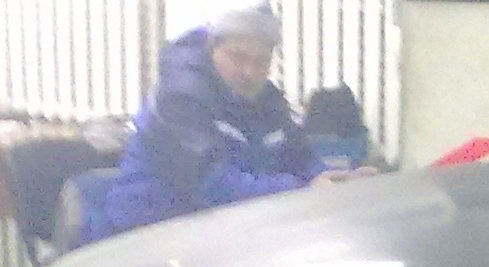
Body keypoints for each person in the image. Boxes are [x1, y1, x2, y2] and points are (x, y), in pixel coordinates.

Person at [81, 5, 324, 244]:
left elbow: (299, 156)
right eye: (238, 57)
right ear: (212, 47)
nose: (249, 72)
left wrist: (326, 179)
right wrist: (303, 190)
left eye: (261, 61)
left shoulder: (267, 100)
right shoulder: (180, 97)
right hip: (144, 237)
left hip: (221, 235)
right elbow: (210, 185)